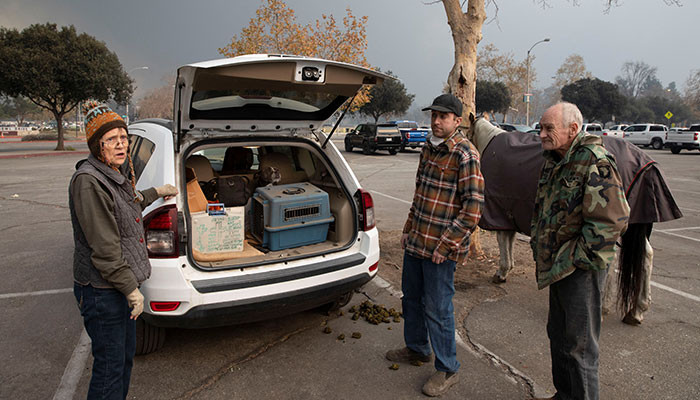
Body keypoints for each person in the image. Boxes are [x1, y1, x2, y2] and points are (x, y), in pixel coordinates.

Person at [69, 101, 177, 399]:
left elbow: (130, 201)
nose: (121, 144)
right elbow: (104, 248)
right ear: (96, 145)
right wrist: (132, 290)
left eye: (124, 137)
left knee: (123, 359)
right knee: (110, 368)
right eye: (112, 139)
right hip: (102, 290)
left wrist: (158, 192)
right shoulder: (89, 181)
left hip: (115, 287)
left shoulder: (111, 173)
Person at [386, 93, 484, 397]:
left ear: (457, 121)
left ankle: (448, 368)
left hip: (441, 250)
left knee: (438, 309)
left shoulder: (465, 154)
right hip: (417, 241)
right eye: (434, 116)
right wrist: (408, 227)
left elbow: (473, 208)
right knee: (411, 299)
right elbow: (420, 193)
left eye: (443, 116)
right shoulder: (428, 148)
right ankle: (417, 348)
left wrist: (446, 245)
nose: (437, 121)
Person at [530, 102, 629, 400]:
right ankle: (564, 395)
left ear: (572, 129)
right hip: (557, 266)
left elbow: (613, 220)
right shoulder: (554, 159)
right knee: (558, 337)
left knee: (580, 348)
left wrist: (578, 260)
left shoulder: (594, 160)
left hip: (579, 270)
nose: (542, 135)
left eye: (549, 129)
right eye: (541, 128)